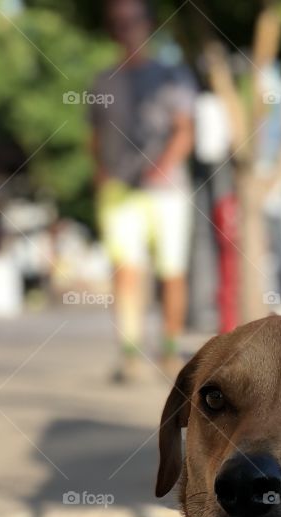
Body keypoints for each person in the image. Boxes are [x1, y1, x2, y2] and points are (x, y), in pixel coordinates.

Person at [89, 0, 195, 382]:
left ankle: (169, 349)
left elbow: (184, 130)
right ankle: (129, 353)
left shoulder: (171, 75)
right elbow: (95, 135)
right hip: (119, 190)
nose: (126, 29)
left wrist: (161, 166)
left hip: (166, 190)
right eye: (117, 23)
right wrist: (100, 173)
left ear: (148, 25)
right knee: (126, 271)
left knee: (171, 271)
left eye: (132, 21)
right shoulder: (103, 80)